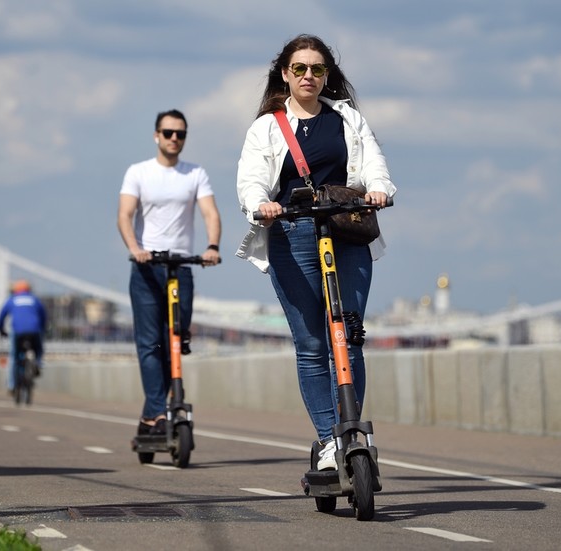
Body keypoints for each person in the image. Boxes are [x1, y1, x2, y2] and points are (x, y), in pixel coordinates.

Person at [235, 34, 396, 472]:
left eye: (318, 69)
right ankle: (329, 441)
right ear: (285, 74)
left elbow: (375, 164)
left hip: (346, 230)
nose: (309, 76)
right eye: (300, 69)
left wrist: (379, 189)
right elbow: (250, 180)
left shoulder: (348, 119)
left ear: (328, 75)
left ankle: (351, 428)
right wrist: (260, 204)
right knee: (310, 345)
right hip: (293, 235)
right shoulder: (267, 126)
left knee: (347, 336)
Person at [117, 108, 222, 437]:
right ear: (156, 135)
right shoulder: (138, 172)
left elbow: (210, 213)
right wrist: (135, 249)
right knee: (150, 344)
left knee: (174, 340)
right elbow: (124, 215)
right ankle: (156, 412)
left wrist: (212, 247)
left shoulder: (195, 173)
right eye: (168, 133)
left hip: (180, 268)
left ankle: (154, 414)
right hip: (147, 269)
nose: (174, 139)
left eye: (181, 134)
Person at [0, 280, 47, 395]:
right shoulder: (34, 299)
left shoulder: (12, 299)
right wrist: (42, 329)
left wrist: (1, 330)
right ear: (28, 289)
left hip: (17, 331)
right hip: (34, 330)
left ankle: (11, 385)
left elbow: (1, 317)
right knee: (39, 349)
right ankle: (38, 363)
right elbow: (43, 315)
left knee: (13, 357)